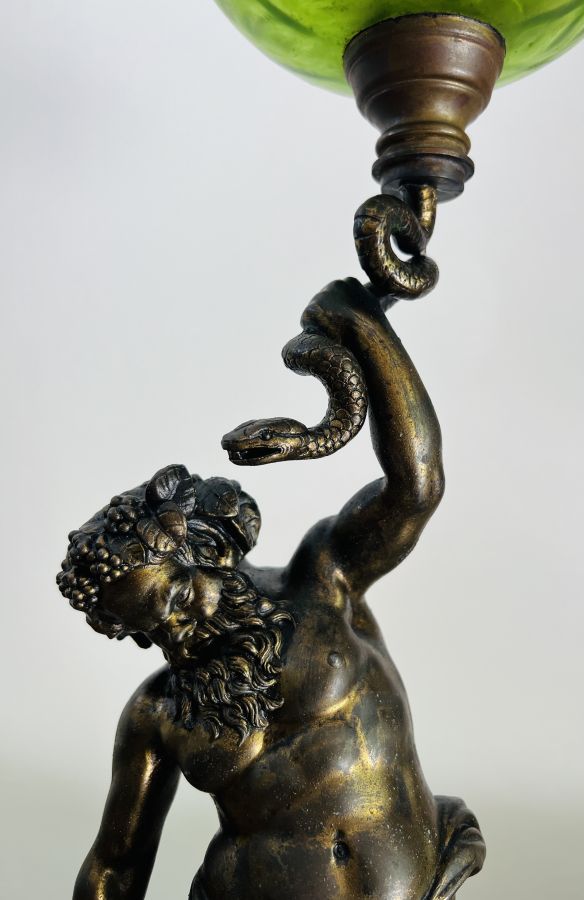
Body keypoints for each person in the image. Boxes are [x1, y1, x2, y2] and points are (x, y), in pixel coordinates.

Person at [57, 278, 484, 899]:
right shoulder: (157, 713)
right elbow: (116, 866)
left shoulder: (323, 579)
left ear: (207, 552)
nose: (176, 634)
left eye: (176, 601)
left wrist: (362, 322)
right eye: (150, 631)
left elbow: (416, 486)